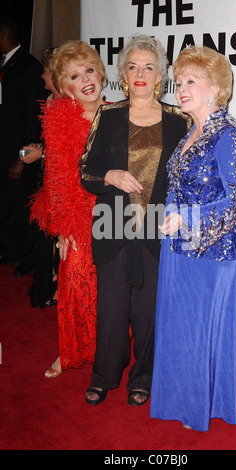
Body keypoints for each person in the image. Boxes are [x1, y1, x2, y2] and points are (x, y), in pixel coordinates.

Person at [150, 45, 236, 431]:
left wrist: (189, 220)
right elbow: (179, 187)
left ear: (215, 89)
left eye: (191, 81)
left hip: (215, 251)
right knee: (180, 327)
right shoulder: (191, 132)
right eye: (179, 82)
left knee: (200, 329)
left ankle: (201, 404)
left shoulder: (229, 135)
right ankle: (180, 397)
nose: (181, 88)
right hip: (179, 246)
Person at [80, 34, 189, 407]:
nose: (140, 73)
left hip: (157, 227)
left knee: (148, 313)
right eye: (132, 66)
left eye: (148, 67)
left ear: (160, 75)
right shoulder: (107, 115)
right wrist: (109, 176)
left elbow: (187, 178)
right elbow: (85, 172)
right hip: (111, 223)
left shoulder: (178, 120)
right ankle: (104, 376)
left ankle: (143, 377)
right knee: (110, 310)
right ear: (123, 75)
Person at [30, 40, 107, 378]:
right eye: (75, 75)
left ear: (101, 73)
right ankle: (71, 350)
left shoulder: (121, 112)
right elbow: (57, 177)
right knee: (74, 283)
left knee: (111, 288)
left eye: (89, 70)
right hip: (78, 214)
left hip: (116, 212)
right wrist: (63, 229)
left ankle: (109, 348)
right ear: (64, 87)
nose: (86, 79)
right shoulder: (60, 119)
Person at [0, 16, 47, 276]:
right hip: (3, 151)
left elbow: (34, 117)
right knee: (6, 204)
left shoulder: (29, 66)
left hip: (21, 154)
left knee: (22, 206)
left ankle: (28, 258)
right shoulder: (5, 64)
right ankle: (11, 250)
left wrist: (21, 157)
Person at [22, 48, 61, 308]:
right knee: (45, 236)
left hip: (63, 184)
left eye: (46, 70)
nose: (42, 75)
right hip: (46, 179)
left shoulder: (72, 105)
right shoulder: (50, 103)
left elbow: (75, 149)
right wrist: (41, 148)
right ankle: (49, 285)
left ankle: (55, 286)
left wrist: (43, 152)